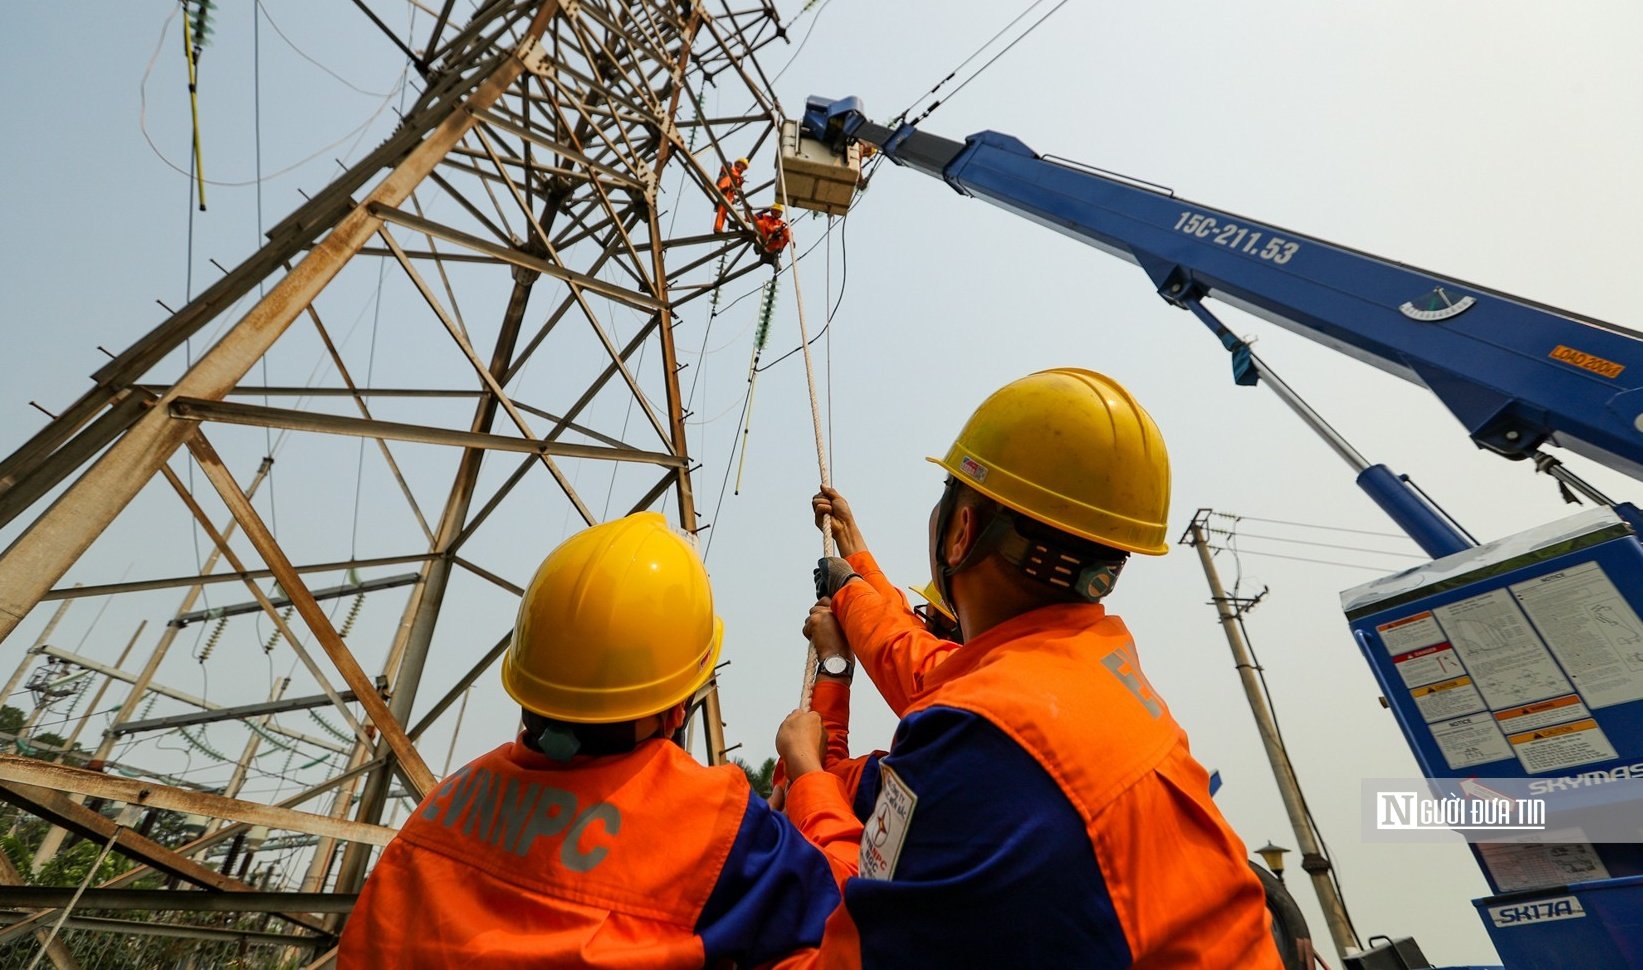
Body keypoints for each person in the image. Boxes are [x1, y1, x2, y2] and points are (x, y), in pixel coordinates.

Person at [774, 369, 1285, 968]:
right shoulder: (1092, 672)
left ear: (961, 531)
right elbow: (923, 661)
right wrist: (855, 571)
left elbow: (852, 935)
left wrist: (806, 771)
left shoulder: (977, 738)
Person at [340, 512, 839, 968]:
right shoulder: (718, 826)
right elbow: (854, 910)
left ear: (526, 681)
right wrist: (811, 769)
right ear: (677, 707)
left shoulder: (442, 809)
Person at [715, 157, 749, 233]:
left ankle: (718, 228)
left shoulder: (738, 178)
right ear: (737, 163)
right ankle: (724, 188)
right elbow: (725, 170)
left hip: (729, 195)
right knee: (728, 178)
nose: (742, 168)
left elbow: (737, 192)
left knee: (723, 211)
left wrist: (740, 183)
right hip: (723, 186)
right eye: (742, 165)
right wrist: (738, 177)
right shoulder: (730, 166)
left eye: (744, 167)